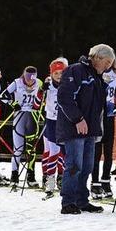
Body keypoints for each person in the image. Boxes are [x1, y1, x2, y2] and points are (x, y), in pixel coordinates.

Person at [57, 44, 116, 215]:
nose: (109, 66)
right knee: (75, 165)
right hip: (75, 127)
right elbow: (64, 97)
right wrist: (78, 119)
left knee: (88, 166)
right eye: (107, 62)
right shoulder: (75, 71)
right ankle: (68, 201)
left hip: (90, 129)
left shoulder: (97, 77)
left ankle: (82, 200)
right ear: (97, 58)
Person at [0, 66, 43, 187]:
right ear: (24, 75)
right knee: (18, 149)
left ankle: (31, 176)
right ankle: (14, 175)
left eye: (32, 79)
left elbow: (43, 97)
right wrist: (13, 104)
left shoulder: (39, 82)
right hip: (19, 116)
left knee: (31, 149)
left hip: (33, 117)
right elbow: (3, 96)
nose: (30, 81)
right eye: (27, 78)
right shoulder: (16, 83)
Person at [90, 64, 116, 199]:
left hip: (109, 115)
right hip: (97, 116)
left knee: (108, 151)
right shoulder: (95, 71)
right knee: (96, 152)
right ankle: (95, 183)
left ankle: (105, 182)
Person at [41, 57, 67, 197]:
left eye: (61, 73)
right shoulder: (49, 85)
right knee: (53, 151)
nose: (59, 76)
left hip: (63, 121)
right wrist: (42, 90)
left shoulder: (68, 84)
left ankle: (61, 177)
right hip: (51, 121)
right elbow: (38, 102)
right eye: (56, 73)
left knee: (63, 151)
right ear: (51, 74)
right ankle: (49, 179)